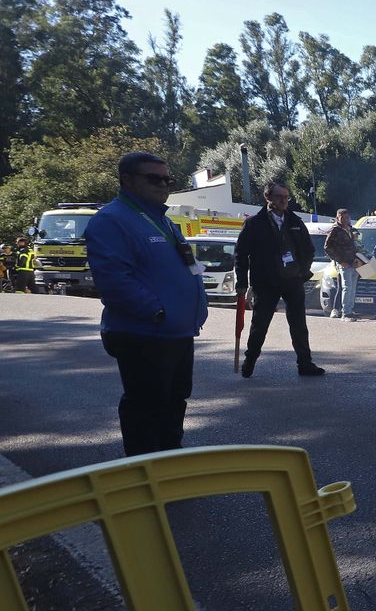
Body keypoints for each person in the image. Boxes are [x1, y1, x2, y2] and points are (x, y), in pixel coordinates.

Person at [84, 152, 208, 455]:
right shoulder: (112, 220)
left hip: (177, 333)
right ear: (127, 180)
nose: (163, 184)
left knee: (174, 402)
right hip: (145, 333)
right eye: (154, 178)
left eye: (167, 179)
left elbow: (185, 267)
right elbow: (114, 281)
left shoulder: (162, 220)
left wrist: (195, 307)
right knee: (146, 408)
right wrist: (158, 311)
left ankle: (166, 467)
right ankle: (143, 478)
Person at [235, 182, 325, 378]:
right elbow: (241, 254)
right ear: (269, 198)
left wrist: (302, 272)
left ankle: (305, 364)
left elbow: (308, 250)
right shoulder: (254, 224)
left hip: (293, 281)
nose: (284, 201)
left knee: (299, 324)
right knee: (260, 325)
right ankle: (249, 361)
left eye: (286, 197)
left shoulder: (294, 221)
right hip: (265, 283)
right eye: (279, 197)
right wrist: (242, 282)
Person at [323, 208, 361, 320]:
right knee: (346, 287)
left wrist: (358, 258)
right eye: (342, 217)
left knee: (352, 287)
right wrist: (340, 260)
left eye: (347, 217)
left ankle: (350, 309)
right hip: (344, 263)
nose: (345, 219)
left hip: (354, 262)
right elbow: (327, 247)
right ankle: (346, 313)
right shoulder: (335, 230)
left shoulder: (351, 229)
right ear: (337, 218)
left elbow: (356, 245)